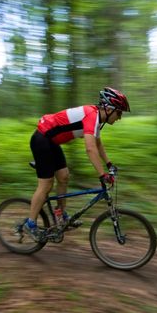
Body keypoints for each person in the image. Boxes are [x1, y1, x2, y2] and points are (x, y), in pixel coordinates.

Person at [23, 87, 131, 241]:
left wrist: (109, 164)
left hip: (52, 142)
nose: (119, 117)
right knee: (46, 184)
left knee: (64, 176)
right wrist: (102, 175)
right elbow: (90, 148)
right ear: (108, 109)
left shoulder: (96, 119)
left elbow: (98, 144)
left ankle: (60, 214)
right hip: (42, 139)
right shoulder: (92, 115)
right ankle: (30, 224)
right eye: (119, 112)